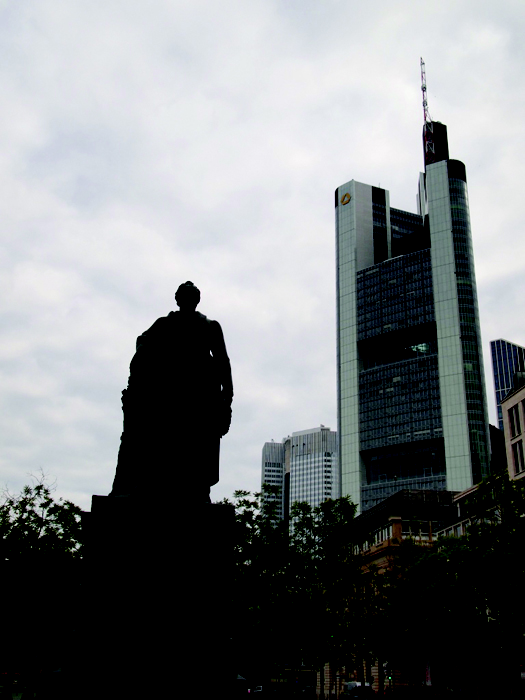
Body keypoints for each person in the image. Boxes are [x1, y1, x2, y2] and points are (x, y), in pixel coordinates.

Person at [110, 282, 233, 501]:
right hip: (169, 393)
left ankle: (197, 491)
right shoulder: (164, 324)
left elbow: (222, 360)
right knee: (165, 440)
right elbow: (143, 344)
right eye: (184, 296)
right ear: (178, 300)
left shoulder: (210, 326)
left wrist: (227, 395)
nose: (187, 300)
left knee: (197, 444)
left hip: (200, 395)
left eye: (191, 296)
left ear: (196, 300)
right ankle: (158, 486)